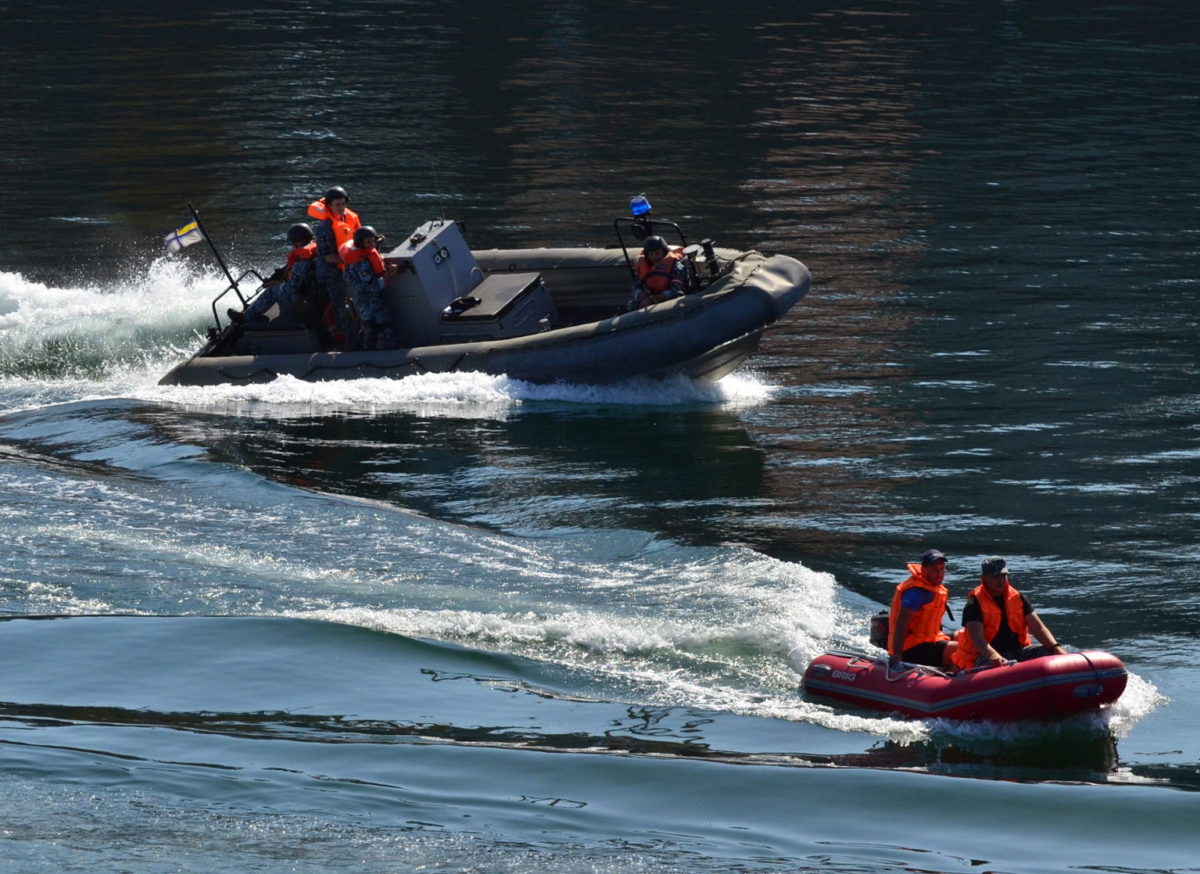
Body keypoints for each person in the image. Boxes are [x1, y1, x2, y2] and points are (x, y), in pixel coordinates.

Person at [950, 557, 1066, 670]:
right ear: (984, 578)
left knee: (1048, 652)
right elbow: (977, 639)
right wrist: (993, 656)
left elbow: (1038, 628)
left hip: (1017, 651)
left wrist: (1055, 647)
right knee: (993, 665)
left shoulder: (1018, 597)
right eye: (995, 576)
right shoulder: (974, 602)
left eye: (1003, 575)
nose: (1000, 580)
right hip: (985, 656)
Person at [228, 223, 318, 325]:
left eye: (293, 242)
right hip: (312, 295)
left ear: (299, 242)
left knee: (272, 291)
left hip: (305, 301)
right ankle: (255, 310)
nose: (292, 246)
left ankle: (246, 317)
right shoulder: (314, 253)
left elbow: (293, 287)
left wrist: (276, 283)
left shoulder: (303, 261)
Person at [307, 186, 363, 345]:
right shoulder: (324, 227)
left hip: (347, 266)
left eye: (343, 204)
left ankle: (362, 333)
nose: (341, 207)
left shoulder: (350, 219)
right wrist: (354, 260)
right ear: (329, 206)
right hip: (331, 271)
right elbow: (329, 257)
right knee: (342, 305)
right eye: (337, 204)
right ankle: (352, 342)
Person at [888, 548, 958, 668]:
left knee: (965, 636)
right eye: (935, 569)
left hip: (929, 638)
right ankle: (953, 670)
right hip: (910, 648)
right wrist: (897, 655)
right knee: (963, 648)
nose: (939, 573)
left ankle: (952, 666)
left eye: (942, 569)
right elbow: (901, 624)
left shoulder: (935, 588)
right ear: (924, 570)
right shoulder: (916, 593)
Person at [340, 225, 399, 350]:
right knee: (384, 325)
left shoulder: (357, 256)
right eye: (368, 242)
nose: (372, 245)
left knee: (369, 330)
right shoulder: (360, 264)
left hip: (362, 304)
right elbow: (373, 286)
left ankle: (369, 352)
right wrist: (390, 274)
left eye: (373, 241)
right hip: (369, 303)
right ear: (360, 243)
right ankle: (390, 350)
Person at [629, 235, 688, 309]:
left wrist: (653, 299)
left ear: (664, 252)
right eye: (651, 254)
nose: (654, 257)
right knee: (632, 305)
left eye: (657, 254)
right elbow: (636, 286)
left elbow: (677, 290)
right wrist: (640, 294)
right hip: (650, 297)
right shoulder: (644, 266)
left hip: (670, 300)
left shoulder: (675, 265)